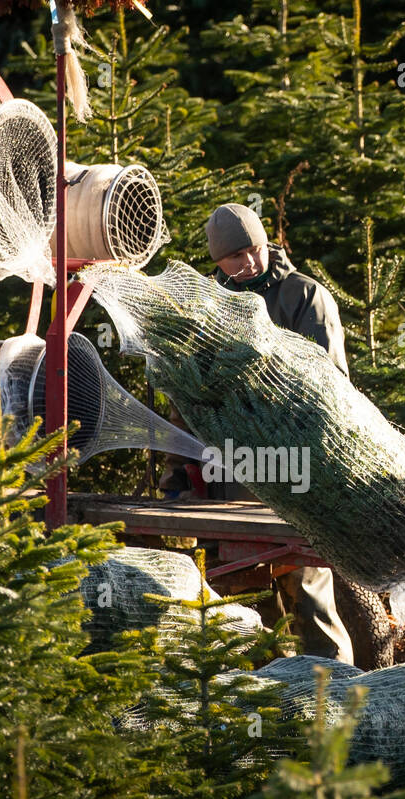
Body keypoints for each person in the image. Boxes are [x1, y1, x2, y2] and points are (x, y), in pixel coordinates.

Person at [159, 202, 354, 664]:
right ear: (216, 261)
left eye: (254, 250)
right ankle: (267, 709)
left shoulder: (303, 297)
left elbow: (328, 388)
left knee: (308, 596)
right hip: (227, 478)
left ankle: (339, 704)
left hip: (295, 476)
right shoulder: (202, 305)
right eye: (234, 256)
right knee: (242, 606)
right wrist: (178, 470)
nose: (248, 263)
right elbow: (185, 393)